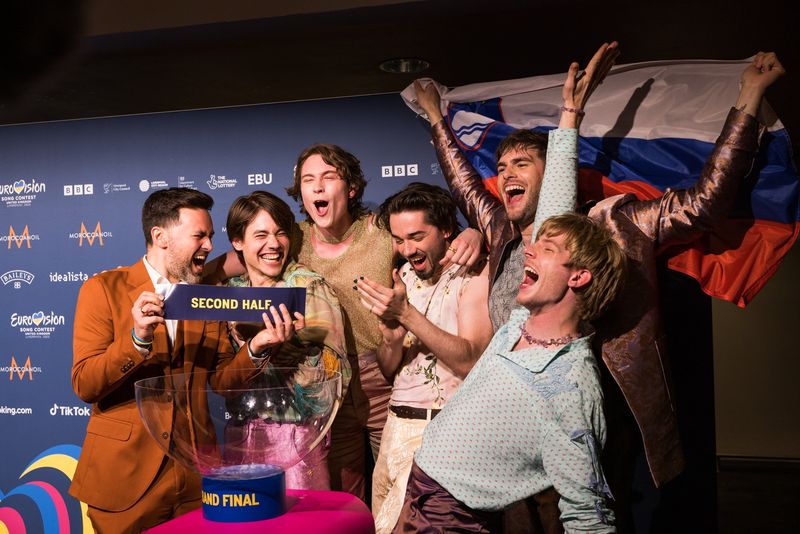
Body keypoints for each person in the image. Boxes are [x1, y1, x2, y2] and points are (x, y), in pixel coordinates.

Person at [414, 50, 785, 530]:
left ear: (551, 177)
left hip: (586, 416)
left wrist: (749, 97)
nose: (505, 174)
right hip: (510, 437)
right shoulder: (500, 232)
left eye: (521, 163)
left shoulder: (613, 225)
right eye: (501, 167)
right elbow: (462, 181)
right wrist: (433, 118)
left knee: (590, 515)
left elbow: (705, 205)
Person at [207, 145, 483, 501]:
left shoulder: (381, 232)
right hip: (324, 386)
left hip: (383, 378)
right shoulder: (293, 235)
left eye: (329, 177)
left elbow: (427, 239)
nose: (318, 187)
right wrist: (188, 281)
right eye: (309, 180)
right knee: (341, 497)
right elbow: (234, 259)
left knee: (399, 489)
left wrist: (472, 233)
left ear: (350, 188)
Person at [70, 187, 298, 533]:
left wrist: (258, 346)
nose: (208, 245)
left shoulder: (205, 297)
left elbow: (222, 381)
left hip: (193, 475)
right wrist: (136, 341)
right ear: (160, 237)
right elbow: (85, 383)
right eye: (199, 236)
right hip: (124, 480)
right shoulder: (102, 289)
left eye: (209, 236)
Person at [393, 211, 627, 533]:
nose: (528, 249)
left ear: (578, 277)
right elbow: (552, 204)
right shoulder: (518, 324)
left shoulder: (570, 387)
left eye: (547, 249)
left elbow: (588, 515)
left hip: (448, 519)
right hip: (420, 493)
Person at [354, 182, 493, 533]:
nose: (407, 249)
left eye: (416, 236)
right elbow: (390, 370)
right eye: (399, 240)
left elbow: (472, 360)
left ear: (446, 229)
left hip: (439, 432)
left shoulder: (474, 274)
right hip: (393, 428)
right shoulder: (402, 277)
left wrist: (407, 315)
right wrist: (391, 341)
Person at [221, 190, 349, 490]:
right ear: (238, 241)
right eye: (261, 235)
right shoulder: (229, 292)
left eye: (280, 233)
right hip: (240, 434)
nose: (274, 244)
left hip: (295, 437)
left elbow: (338, 372)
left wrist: (294, 349)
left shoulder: (307, 287)